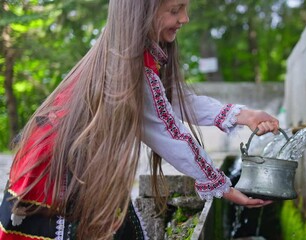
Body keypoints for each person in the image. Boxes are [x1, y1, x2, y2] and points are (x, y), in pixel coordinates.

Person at [0, 0, 280, 239]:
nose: (185, 18)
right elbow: (170, 134)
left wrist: (244, 115)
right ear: (143, 12)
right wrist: (223, 187)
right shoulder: (131, 68)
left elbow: (172, 101)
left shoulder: (130, 55)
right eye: (175, 9)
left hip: (69, 161)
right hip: (60, 170)